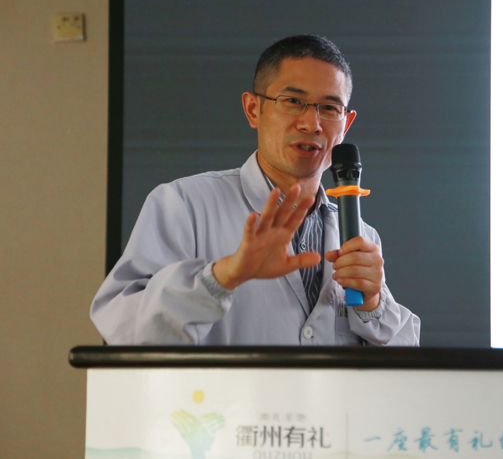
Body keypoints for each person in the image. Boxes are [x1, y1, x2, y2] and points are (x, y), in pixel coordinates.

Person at [91, 35, 420, 346]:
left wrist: (372, 304)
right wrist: (223, 276)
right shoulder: (185, 204)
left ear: (345, 125)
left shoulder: (360, 235)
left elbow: (406, 365)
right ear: (253, 110)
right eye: (293, 101)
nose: (311, 124)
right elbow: (122, 325)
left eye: (329, 108)